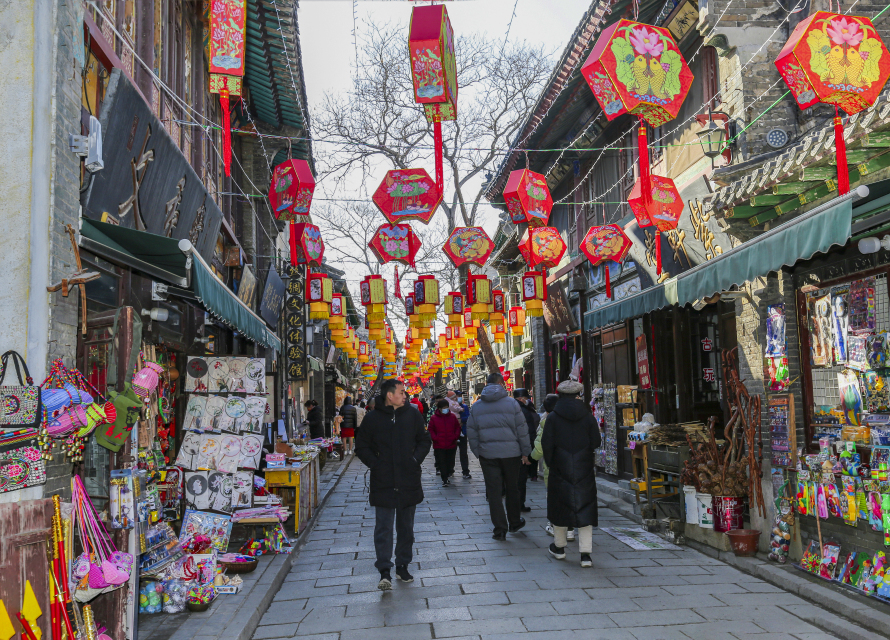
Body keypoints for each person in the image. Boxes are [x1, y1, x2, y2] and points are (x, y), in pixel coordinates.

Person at [355, 379, 431, 590]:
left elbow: (425, 439)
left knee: (406, 527)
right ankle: (384, 570)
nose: (405, 395)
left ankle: (402, 565)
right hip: (384, 479)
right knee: (384, 527)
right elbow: (361, 446)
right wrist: (376, 463)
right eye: (401, 392)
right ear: (390, 395)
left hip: (408, 479)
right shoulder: (372, 418)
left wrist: (415, 459)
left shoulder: (413, 415)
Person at [542, 380, 601, 568]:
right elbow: (597, 442)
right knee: (585, 506)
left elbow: (546, 444)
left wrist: (552, 463)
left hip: (560, 467)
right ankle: (586, 554)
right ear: (578, 395)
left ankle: (559, 548)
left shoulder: (553, 417)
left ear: (559, 395)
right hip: (583, 468)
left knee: (560, 506)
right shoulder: (588, 417)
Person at [466, 372, 531, 540]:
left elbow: (471, 432)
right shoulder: (512, 404)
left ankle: (500, 529)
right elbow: (522, 430)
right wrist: (525, 452)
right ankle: (514, 522)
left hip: (488, 455)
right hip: (511, 454)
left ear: (486, 385)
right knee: (512, 488)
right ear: (502, 384)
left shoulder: (477, 406)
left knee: (494, 492)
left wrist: (477, 451)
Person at [530, 393, 574, 540]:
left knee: (554, 498)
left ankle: (554, 525)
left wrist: (530, 459)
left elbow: (540, 447)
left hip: (554, 467)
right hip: (572, 465)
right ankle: (570, 529)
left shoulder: (546, 422)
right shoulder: (571, 419)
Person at [513, 388, 540, 512]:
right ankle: (519, 504)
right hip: (521, 449)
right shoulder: (524, 411)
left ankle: (513, 504)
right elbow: (528, 433)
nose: (528, 400)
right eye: (526, 398)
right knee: (520, 479)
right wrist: (528, 452)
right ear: (521, 399)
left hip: (510, 449)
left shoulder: (509, 409)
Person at [427, 399, 461, 486]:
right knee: (442, 462)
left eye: (446, 407)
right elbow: (430, 429)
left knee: (450, 461)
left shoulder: (452, 417)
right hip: (439, 444)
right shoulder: (434, 418)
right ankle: (444, 479)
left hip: (451, 443)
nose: (445, 409)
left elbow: (457, 427)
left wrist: (455, 436)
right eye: (443, 408)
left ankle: (449, 472)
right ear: (439, 408)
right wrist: (435, 438)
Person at [455, 392, 471, 479]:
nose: (459, 398)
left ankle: (465, 471)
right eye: (457, 396)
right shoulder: (450, 407)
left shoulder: (464, 407)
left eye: (460, 396)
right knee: (451, 453)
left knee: (463, 453)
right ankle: (450, 470)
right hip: (452, 433)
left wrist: (461, 420)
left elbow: (468, 417)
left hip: (463, 432)